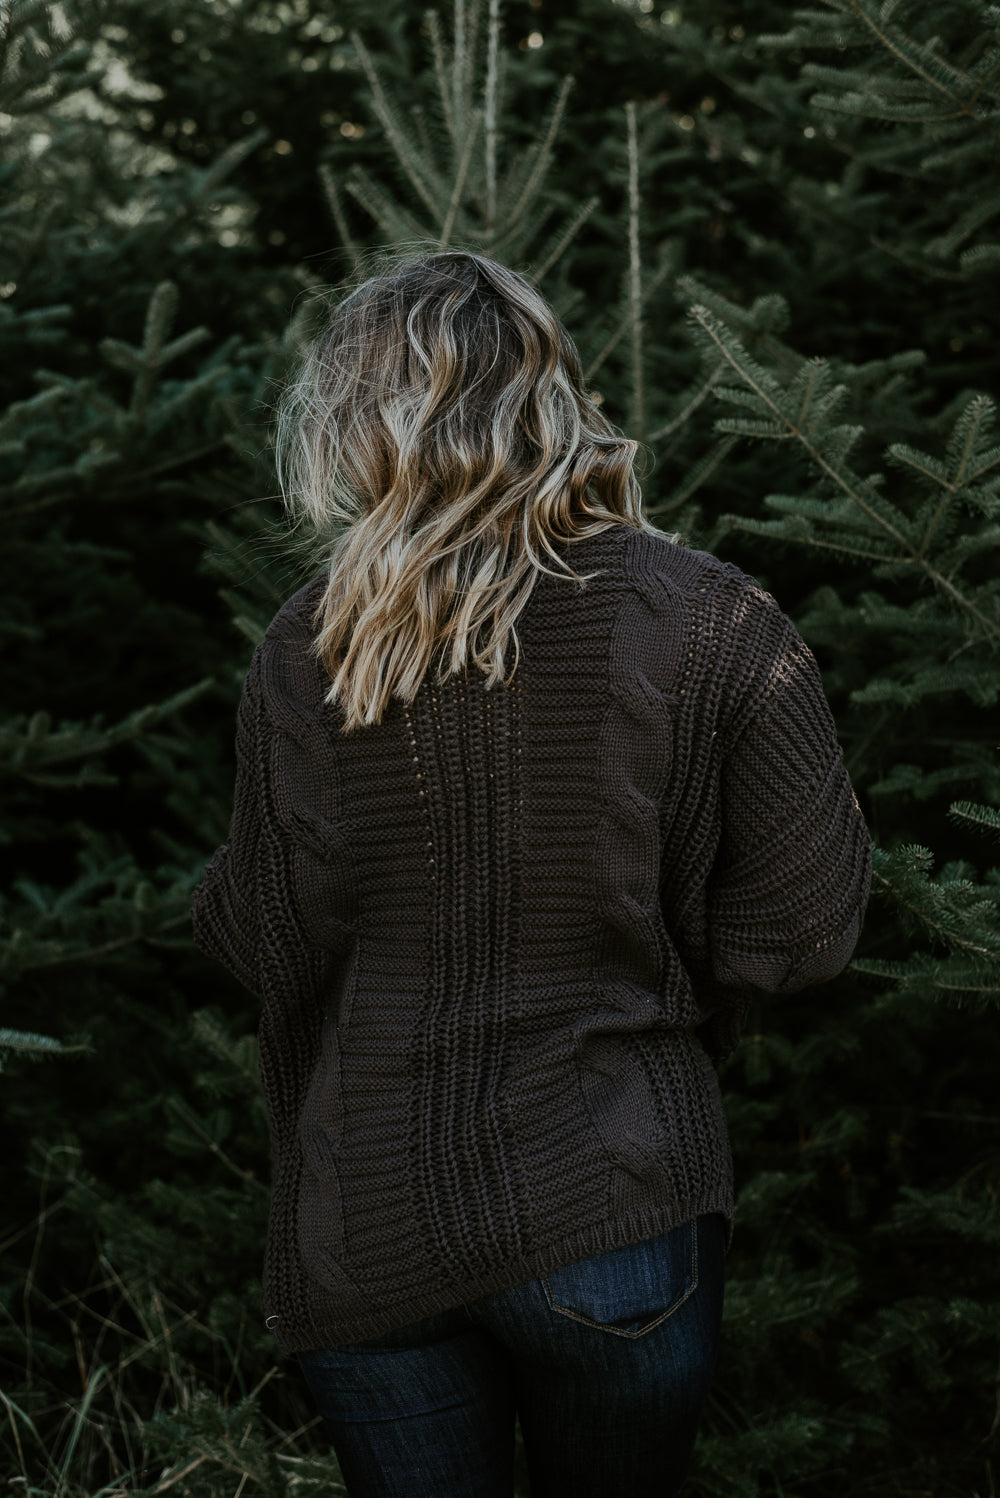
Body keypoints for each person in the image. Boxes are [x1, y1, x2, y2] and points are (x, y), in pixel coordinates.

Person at [191, 249, 871, 1498]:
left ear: (356, 417)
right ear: (549, 394)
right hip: (612, 1198)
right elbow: (803, 929)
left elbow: (265, 936)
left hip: (370, 1220)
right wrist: (651, 956)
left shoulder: (313, 640)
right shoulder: (712, 617)